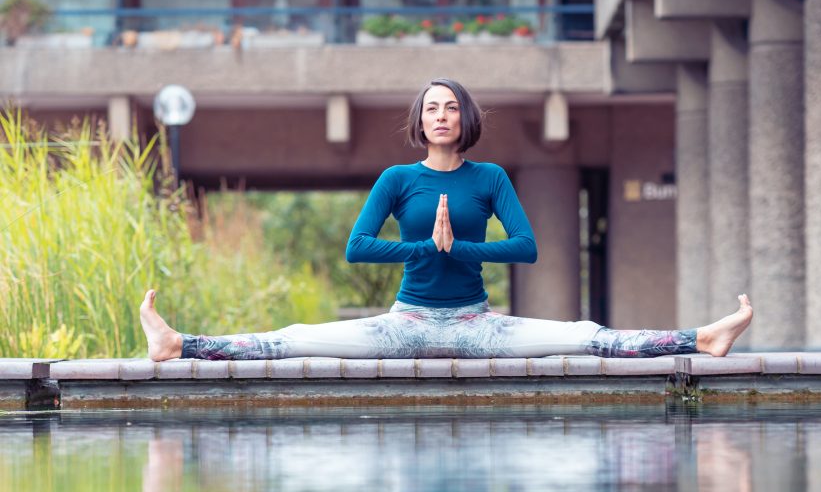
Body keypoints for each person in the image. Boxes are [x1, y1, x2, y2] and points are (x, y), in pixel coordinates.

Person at [140, 78, 752, 362]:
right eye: (431, 108)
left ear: (464, 120)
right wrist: (423, 252)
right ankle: (177, 344)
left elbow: (527, 248)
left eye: (451, 107)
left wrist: (456, 248)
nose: (441, 115)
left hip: (476, 326)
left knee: (583, 333)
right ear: (419, 120)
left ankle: (702, 338)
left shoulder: (490, 178)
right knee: (293, 338)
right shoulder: (397, 180)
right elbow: (356, 248)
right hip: (401, 325)